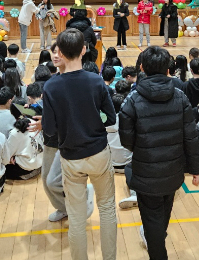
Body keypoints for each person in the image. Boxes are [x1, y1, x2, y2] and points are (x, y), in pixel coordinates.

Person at [118, 45, 199, 256]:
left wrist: (144, 149)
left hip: (146, 172)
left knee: (153, 222)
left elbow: (126, 141)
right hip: (173, 171)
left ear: (141, 68)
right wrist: (196, 168)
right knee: (161, 218)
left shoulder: (132, 100)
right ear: (168, 69)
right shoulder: (180, 97)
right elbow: (191, 136)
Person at [42, 29, 117, 260]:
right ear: (84, 50)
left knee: (75, 216)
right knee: (106, 209)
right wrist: (94, 120)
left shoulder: (51, 87)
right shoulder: (96, 80)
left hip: (70, 157)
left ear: (61, 53)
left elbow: (50, 131)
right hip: (98, 153)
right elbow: (111, 118)